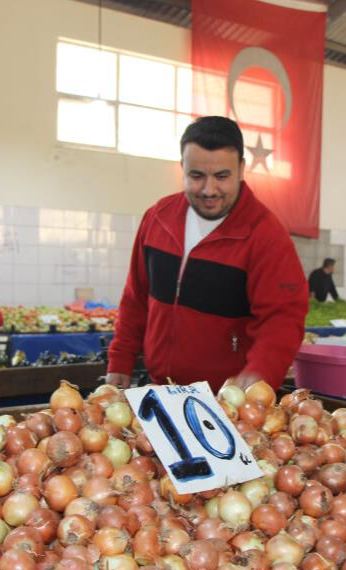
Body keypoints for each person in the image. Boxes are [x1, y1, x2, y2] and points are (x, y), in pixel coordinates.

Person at [106, 116, 308, 392]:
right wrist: (120, 360)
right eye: (197, 176)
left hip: (226, 401)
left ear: (241, 169)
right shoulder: (158, 218)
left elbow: (282, 319)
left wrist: (260, 373)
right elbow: (136, 297)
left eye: (222, 176)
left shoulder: (265, 235)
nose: (209, 190)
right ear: (182, 169)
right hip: (160, 388)